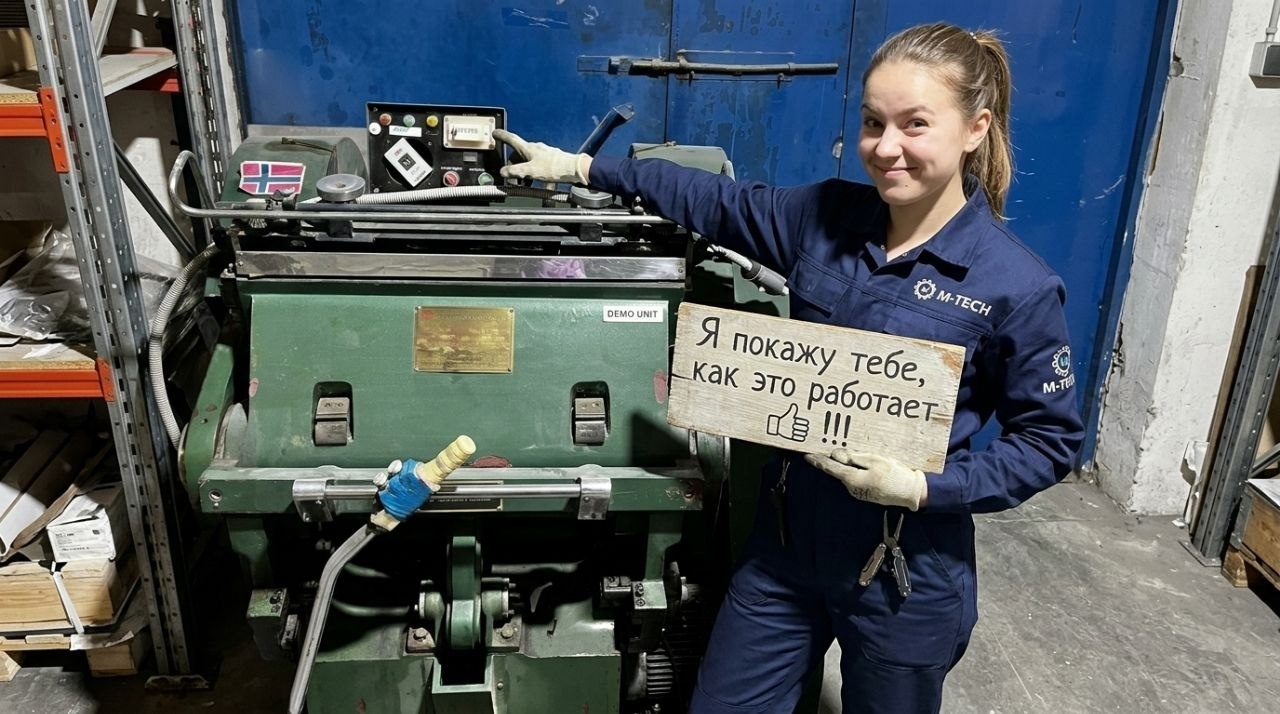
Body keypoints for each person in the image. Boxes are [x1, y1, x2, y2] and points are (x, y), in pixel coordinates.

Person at [495, 21, 1084, 714]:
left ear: (975, 129)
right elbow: (711, 200)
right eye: (872, 123)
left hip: (904, 567)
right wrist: (583, 170)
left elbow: (1050, 443)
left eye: (915, 124)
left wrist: (925, 488)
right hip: (786, 543)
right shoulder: (822, 218)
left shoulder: (1016, 286)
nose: (885, 147)